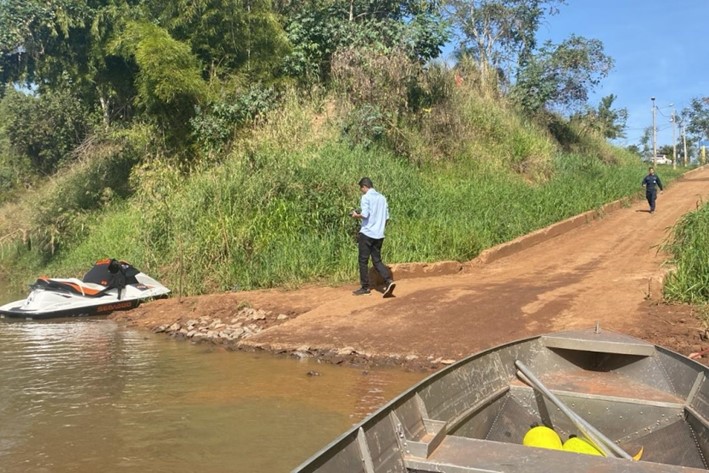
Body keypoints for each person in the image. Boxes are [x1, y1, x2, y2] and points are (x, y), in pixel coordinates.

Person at [350, 177, 396, 297]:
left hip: (367, 233)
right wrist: (380, 228)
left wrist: (355, 215)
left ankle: (365, 288)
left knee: (363, 260)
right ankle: (388, 280)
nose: (362, 191)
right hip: (379, 234)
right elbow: (386, 218)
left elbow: (365, 214)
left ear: (364, 186)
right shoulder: (382, 198)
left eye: (361, 189)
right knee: (377, 260)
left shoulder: (366, 197)